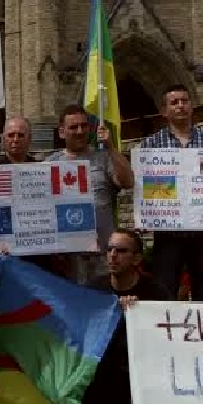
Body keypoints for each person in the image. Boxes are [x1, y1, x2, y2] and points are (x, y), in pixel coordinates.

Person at [76, 229, 170, 404]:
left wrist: (137, 314)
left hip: (141, 366)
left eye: (121, 250)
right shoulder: (94, 289)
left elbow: (165, 339)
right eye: (109, 249)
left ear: (136, 258)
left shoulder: (155, 292)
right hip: (102, 365)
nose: (112, 256)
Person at [139, 85, 203, 302]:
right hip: (169, 234)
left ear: (191, 106)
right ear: (164, 111)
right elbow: (146, 186)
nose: (180, 106)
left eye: (184, 101)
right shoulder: (151, 144)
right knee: (164, 292)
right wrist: (145, 213)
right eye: (174, 102)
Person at [44, 104, 133, 288]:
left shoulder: (104, 157)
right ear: (61, 132)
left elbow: (127, 182)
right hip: (66, 257)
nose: (80, 131)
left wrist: (110, 147)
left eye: (84, 126)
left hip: (102, 255)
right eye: (73, 127)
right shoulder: (49, 164)